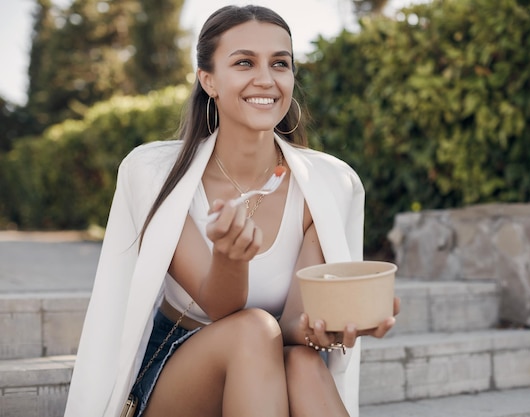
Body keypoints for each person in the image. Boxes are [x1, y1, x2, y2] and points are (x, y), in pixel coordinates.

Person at [64, 5, 399, 417]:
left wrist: (324, 331)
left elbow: (293, 324)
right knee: (254, 329)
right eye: (244, 62)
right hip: (179, 365)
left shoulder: (327, 183)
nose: (266, 79)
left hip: (272, 364)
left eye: (281, 64)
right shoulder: (154, 173)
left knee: (304, 361)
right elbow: (219, 307)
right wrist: (229, 256)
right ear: (209, 80)